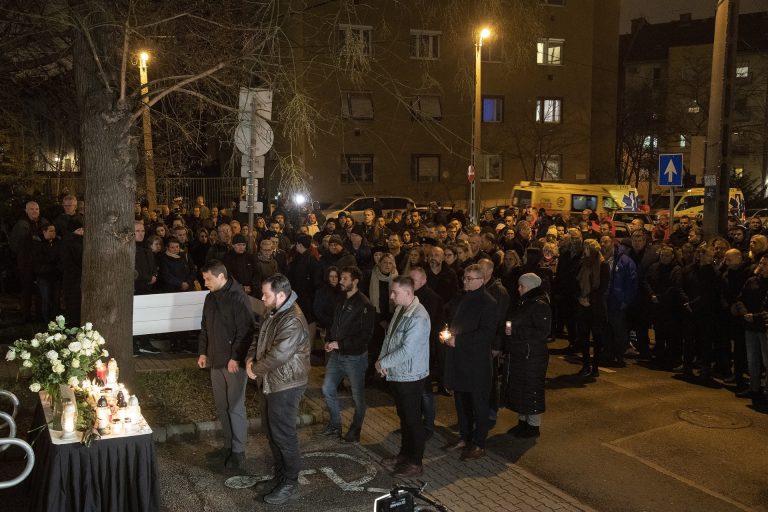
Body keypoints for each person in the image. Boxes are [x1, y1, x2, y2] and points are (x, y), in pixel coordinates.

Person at [246, 273, 310, 504]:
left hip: (286, 384)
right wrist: (249, 360)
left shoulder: (292, 319)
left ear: (281, 295)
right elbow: (258, 336)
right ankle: (280, 475)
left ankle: (290, 481)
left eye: (266, 294)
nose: (262, 298)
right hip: (271, 381)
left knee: (284, 435)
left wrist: (256, 369)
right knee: (272, 432)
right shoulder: (273, 311)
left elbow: (280, 354)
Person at [197, 260, 255, 470]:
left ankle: (238, 452)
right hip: (215, 360)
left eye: (208, 279)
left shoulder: (238, 298)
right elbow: (205, 327)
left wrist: (236, 357)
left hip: (233, 364)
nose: (205, 283)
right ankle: (228, 446)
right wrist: (203, 351)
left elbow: (246, 331)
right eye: (205, 279)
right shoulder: (210, 298)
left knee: (235, 407)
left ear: (221, 277)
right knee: (223, 407)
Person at [441, 264, 498, 460]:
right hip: (460, 360)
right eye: (464, 277)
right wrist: (447, 333)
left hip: (476, 364)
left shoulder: (488, 302)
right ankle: (465, 437)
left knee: (479, 405)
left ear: (481, 281)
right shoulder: (463, 297)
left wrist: (459, 340)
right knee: (461, 402)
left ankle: (479, 443)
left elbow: (487, 333)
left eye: (469, 279)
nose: (464, 281)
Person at [376, 276, 431, 479]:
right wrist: (382, 361)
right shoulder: (401, 310)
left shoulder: (419, 317)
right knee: (404, 418)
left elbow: (407, 350)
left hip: (411, 375)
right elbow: (389, 338)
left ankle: (415, 463)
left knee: (413, 420)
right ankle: (405, 455)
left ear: (408, 292)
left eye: (395, 292)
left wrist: (384, 363)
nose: (391, 296)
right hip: (398, 373)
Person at [320, 266, 375, 443]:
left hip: (355, 358)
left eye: (344, 278)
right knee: (327, 388)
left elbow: (365, 336)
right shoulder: (341, 300)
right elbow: (334, 324)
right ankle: (335, 424)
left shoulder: (365, 305)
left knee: (358, 396)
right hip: (337, 355)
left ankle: (355, 429)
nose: (340, 281)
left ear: (355, 281)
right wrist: (329, 340)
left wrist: (341, 344)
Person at [503, 273, 551, 438]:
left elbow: (542, 331)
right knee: (520, 388)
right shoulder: (525, 302)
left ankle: (533, 426)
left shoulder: (539, 305)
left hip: (533, 355)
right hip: (522, 353)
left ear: (530, 287)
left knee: (532, 389)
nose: (518, 289)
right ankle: (523, 421)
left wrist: (515, 330)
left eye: (521, 286)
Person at [10, 201, 47, 322]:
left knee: (40, 290)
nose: (34, 211)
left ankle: (40, 315)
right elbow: (15, 245)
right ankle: (26, 316)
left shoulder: (43, 223)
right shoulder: (21, 225)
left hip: (40, 263)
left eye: (36, 209)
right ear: (26, 211)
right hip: (26, 263)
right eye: (31, 209)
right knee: (27, 289)